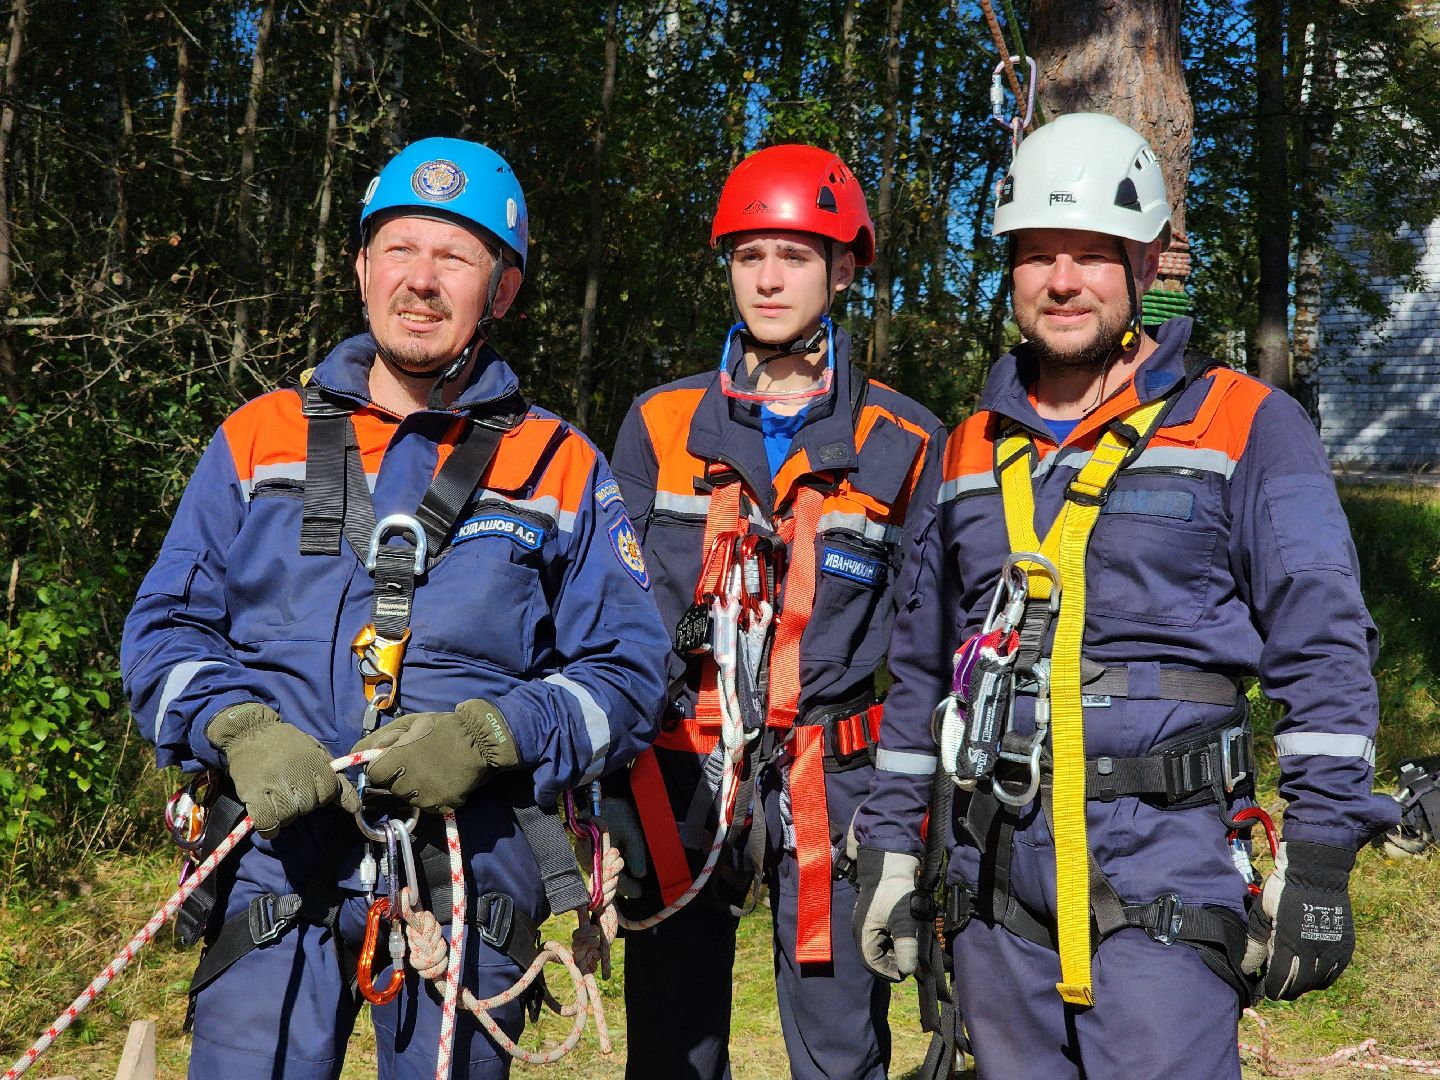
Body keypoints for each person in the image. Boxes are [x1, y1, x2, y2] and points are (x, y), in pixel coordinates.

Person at [849, 112, 1400, 1080]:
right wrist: (895, 851)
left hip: (1166, 885)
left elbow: (1323, 648)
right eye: (1037, 254)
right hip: (996, 893)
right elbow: (918, 675)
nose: (1062, 281)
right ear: (1009, 269)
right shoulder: (967, 452)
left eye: (1093, 254)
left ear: (1146, 266)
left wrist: (1317, 857)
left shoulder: (1244, 426)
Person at [121, 137, 669, 1079]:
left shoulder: (558, 465)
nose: (421, 280)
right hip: (274, 859)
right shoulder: (262, 438)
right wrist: (237, 725)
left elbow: (627, 672)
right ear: (362, 269)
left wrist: (496, 733)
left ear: (500, 290)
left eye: (454, 257)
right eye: (399, 250)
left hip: (468, 873)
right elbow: (161, 630)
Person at [606, 144, 945, 1080]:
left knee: (841, 1053)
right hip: (680, 772)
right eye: (748, 254)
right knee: (671, 1051)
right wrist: (601, 794)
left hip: (833, 783)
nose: (766, 278)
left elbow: (936, 647)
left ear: (842, 269)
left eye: (793, 257)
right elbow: (609, 620)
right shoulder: (661, 426)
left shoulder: (904, 440)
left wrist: (918, 817)